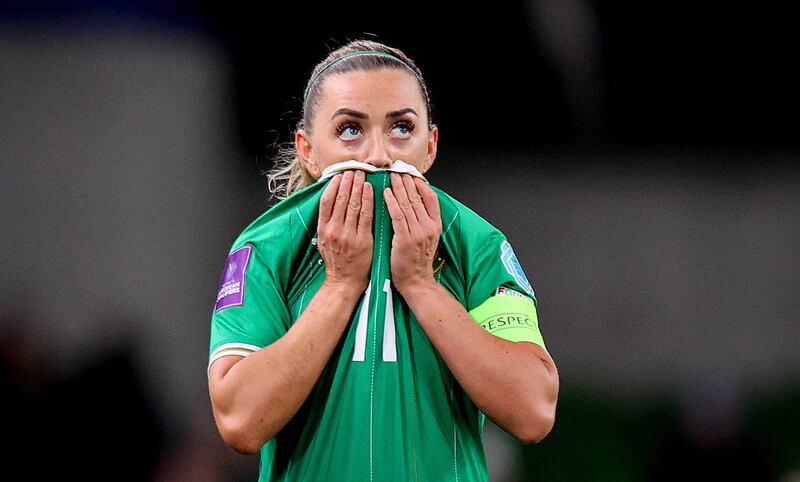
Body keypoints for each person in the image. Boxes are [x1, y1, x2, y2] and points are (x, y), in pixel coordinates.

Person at [207, 39, 559, 481]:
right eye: (351, 130)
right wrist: (339, 286)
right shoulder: (268, 247)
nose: (378, 155)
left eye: (401, 129)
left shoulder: (476, 244)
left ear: (429, 146)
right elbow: (240, 421)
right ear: (308, 149)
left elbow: (534, 411)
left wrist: (421, 285)